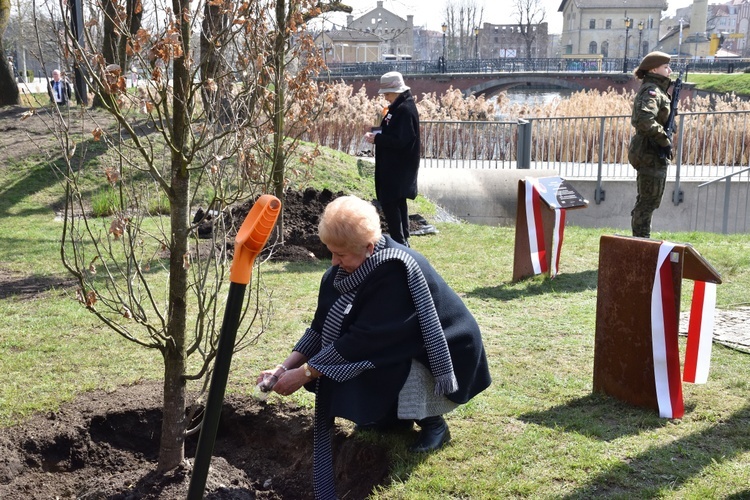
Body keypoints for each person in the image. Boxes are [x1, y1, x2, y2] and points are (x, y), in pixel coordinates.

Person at [257, 195, 491, 500]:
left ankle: (434, 424)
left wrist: (306, 373)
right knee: (353, 365)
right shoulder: (345, 271)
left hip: (443, 349)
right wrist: (284, 367)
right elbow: (319, 327)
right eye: (331, 253)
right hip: (390, 342)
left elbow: (365, 342)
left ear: (369, 248)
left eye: (340, 255)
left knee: (381, 363)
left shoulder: (397, 272)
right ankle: (391, 418)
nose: (334, 262)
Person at [364, 71, 420, 247]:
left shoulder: (404, 110)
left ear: (397, 91)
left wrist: (377, 139)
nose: (386, 97)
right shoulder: (399, 107)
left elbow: (401, 140)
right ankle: (403, 241)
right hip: (395, 167)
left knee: (391, 203)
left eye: (387, 93)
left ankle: (399, 242)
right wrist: (378, 134)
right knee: (398, 202)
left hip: (397, 168)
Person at [628, 51, 674, 238]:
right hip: (649, 151)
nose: (669, 70)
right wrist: (664, 140)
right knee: (647, 202)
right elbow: (644, 120)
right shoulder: (652, 91)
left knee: (650, 200)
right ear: (654, 69)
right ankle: (640, 242)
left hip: (652, 151)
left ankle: (641, 239)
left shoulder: (658, 90)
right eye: (666, 67)